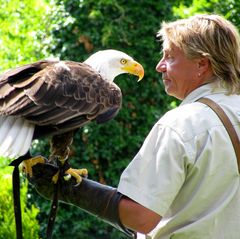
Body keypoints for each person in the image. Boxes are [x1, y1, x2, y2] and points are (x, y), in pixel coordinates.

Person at [29, 14, 240, 239]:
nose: (159, 66)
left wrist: (69, 190)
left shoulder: (183, 124)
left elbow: (141, 217)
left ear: (201, 64)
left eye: (169, 57)